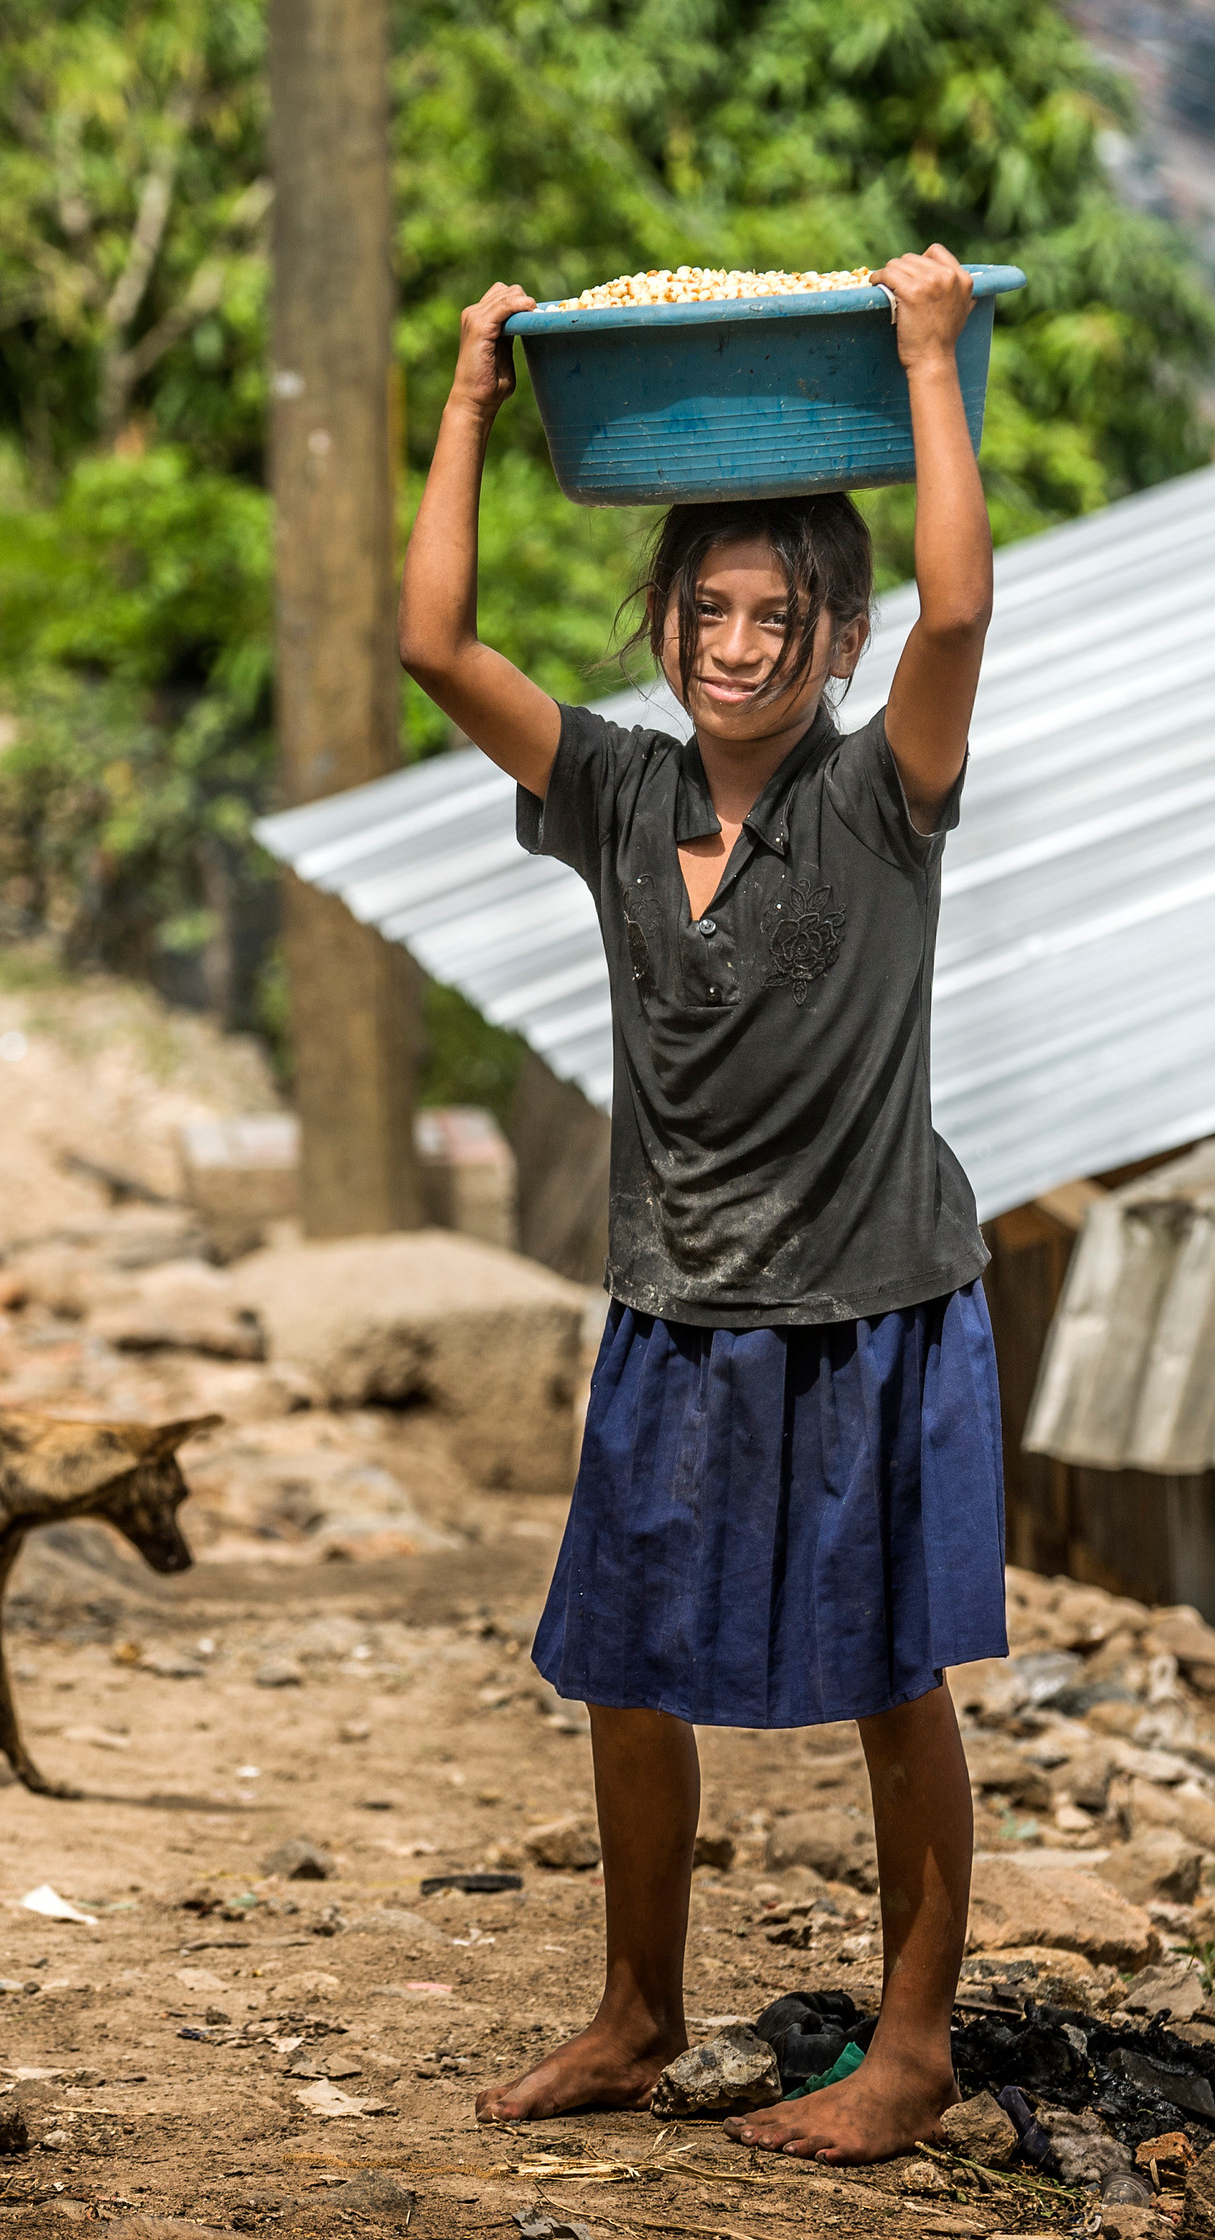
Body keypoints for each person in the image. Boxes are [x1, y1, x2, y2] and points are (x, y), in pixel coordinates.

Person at [399, 249, 1002, 2164]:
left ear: (840, 641)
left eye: (780, 618)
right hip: (678, 1302)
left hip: (871, 1303)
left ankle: (910, 2052)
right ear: (660, 621)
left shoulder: (882, 798)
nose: (737, 647)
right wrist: (473, 397)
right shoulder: (611, 791)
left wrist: (927, 360)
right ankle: (637, 2013)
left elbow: (963, 607)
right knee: (624, 1668)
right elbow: (434, 645)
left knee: (895, 1685)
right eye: (707, 610)